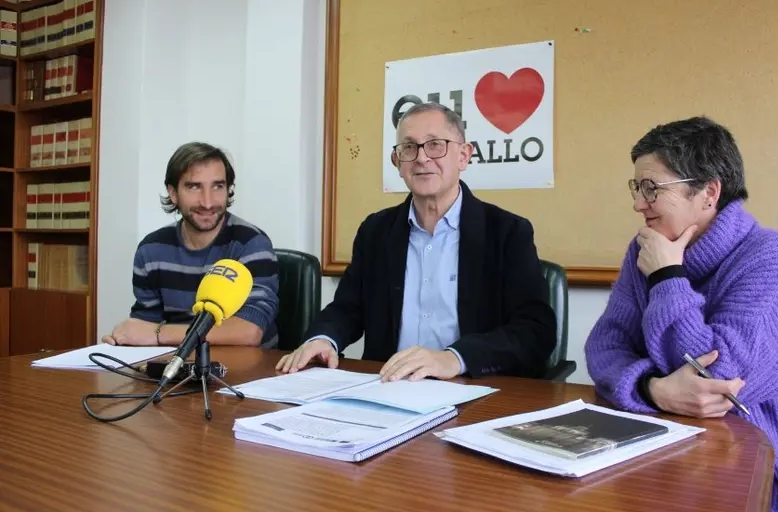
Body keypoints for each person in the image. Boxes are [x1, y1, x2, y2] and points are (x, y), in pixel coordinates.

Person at [584, 116, 778, 512]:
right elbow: (603, 347)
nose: (637, 204)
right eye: (636, 188)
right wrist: (652, 388)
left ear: (708, 192)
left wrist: (668, 278)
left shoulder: (772, 256)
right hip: (662, 446)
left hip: (763, 463)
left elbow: (718, 375)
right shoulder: (645, 249)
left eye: (652, 189)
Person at [276, 102, 555, 381]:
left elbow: (535, 330)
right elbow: (349, 308)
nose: (422, 158)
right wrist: (324, 339)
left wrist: (455, 358)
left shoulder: (507, 232)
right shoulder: (376, 231)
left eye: (435, 144)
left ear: (464, 156)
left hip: (472, 389)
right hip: (388, 388)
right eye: (409, 148)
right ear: (397, 162)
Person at [102, 142, 280, 348]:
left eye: (218, 186)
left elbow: (249, 332)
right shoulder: (151, 249)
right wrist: (124, 340)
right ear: (173, 193)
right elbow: (145, 323)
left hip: (247, 373)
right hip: (176, 367)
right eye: (194, 187)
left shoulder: (251, 244)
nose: (207, 202)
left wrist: (159, 333)